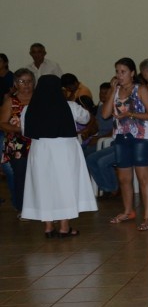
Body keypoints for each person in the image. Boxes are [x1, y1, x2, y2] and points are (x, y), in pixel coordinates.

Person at [20, 74, 96, 237]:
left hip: (41, 150)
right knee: (65, 185)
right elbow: (86, 117)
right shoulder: (69, 106)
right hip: (65, 150)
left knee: (44, 186)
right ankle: (64, 226)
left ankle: (48, 227)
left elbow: (24, 130)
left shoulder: (28, 109)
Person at [101, 58, 148, 230]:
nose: (119, 75)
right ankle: (128, 211)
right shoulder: (116, 91)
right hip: (121, 137)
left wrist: (131, 114)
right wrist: (112, 90)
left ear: (132, 73)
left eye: (123, 71)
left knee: (143, 177)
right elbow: (105, 115)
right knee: (124, 178)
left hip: (141, 137)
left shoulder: (140, 90)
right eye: (117, 71)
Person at [1, 69, 35, 212]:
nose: (26, 85)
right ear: (16, 84)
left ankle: (39, 206)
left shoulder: (40, 99)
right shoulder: (11, 101)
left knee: (38, 175)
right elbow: (2, 123)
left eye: (29, 81)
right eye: (22, 81)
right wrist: (19, 130)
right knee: (21, 175)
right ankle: (22, 208)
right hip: (17, 145)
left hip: (38, 143)